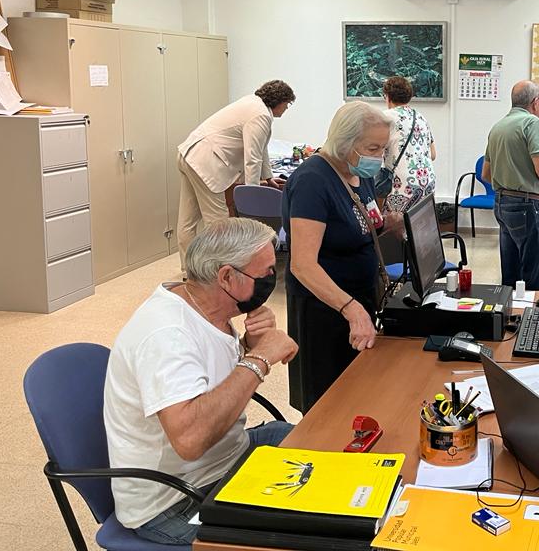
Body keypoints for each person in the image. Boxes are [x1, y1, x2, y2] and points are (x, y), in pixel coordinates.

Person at [103, 218, 299, 545]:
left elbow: (207, 378)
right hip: (175, 500)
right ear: (225, 276)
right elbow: (191, 440)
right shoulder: (167, 335)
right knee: (304, 527)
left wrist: (247, 346)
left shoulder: (208, 309)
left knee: (316, 444)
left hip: (223, 456)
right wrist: (258, 359)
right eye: (264, 272)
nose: (271, 279)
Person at [282, 101, 405, 412]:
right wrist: (351, 309)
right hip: (325, 308)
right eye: (372, 147)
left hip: (359, 300)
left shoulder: (356, 173)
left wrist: (388, 223)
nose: (379, 157)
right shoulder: (313, 181)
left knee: (359, 395)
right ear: (345, 143)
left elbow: (360, 224)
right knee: (328, 405)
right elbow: (302, 265)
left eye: (383, 148)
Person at [176, 80, 296, 273]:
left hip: (189, 155)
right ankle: (213, 274)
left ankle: (190, 271)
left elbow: (261, 147)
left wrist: (268, 177)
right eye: (288, 104)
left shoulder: (252, 103)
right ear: (279, 101)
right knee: (219, 224)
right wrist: (252, 193)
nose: (287, 109)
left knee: (188, 221)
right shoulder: (260, 115)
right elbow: (252, 156)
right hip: (206, 163)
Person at [483, 80, 539, 290]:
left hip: (501, 204)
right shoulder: (532, 123)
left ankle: (510, 318)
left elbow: (486, 173)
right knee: (534, 275)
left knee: (511, 274)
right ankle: (533, 319)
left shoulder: (498, 127)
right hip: (526, 207)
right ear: (535, 103)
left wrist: (510, 180)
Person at [381, 75, 437, 212]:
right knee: (419, 226)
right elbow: (433, 154)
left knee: (396, 227)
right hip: (427, 181)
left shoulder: (385, 118)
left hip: (402, 183)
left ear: (387, 96)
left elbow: (373, 150)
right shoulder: (421, 117)